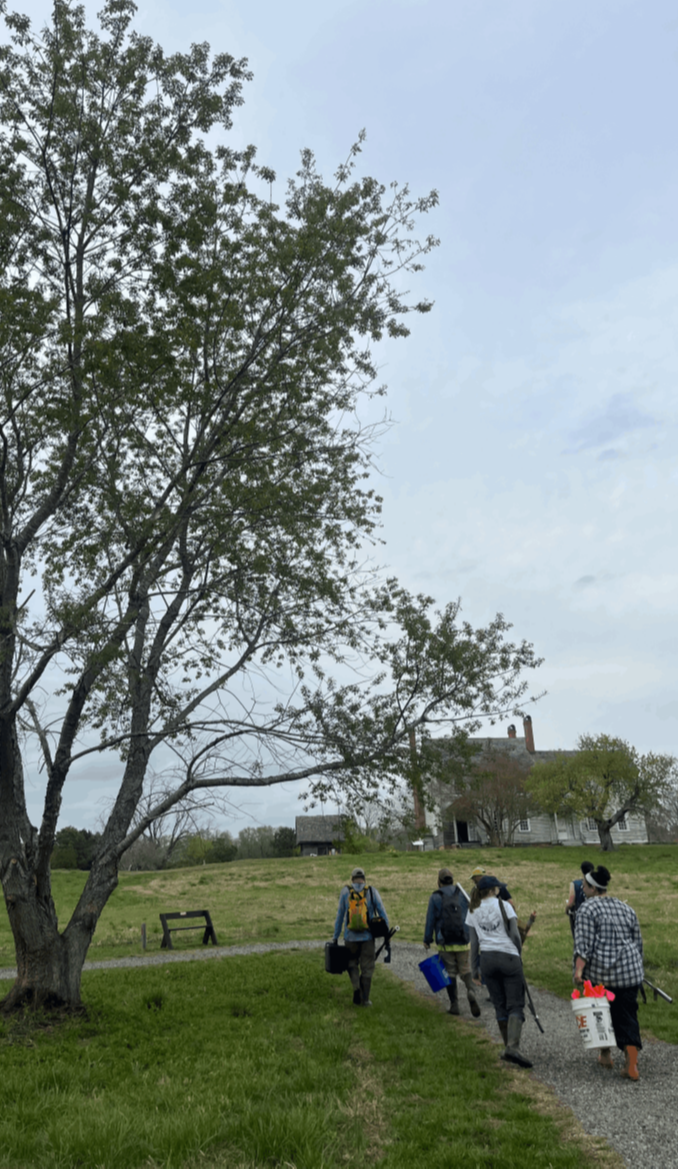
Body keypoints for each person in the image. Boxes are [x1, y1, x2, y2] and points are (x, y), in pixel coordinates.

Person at [573, 864, 644, 1081]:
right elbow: (637, 942)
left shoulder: (586, 909)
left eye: (585, 886)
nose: (582, 889)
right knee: (627, 1014)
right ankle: (631, 1064)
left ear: (594, 889)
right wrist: (638, 967)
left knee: (600, 1014)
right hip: (630, 972)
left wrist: (578, 971)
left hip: (602, 974)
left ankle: (605, 1055)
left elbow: (583, 945)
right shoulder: (625, 908)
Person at [467, 875, 533, 1068]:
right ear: (492, 890)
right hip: (508, 957)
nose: (499, 890)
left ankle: (507, 1047)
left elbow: (474, 943)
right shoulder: (504, 906)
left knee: (499, 1004)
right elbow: (515, 935)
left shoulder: (473, 909)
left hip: (487, 959)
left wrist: (474, 970)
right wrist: (517, 953)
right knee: (515, 1004)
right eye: (497, 888)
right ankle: (513, 1047)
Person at [423, 867, 481, 1018]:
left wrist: (427, 939)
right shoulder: (462, 893)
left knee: (450, 973)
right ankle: (471, 990)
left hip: (445, 943)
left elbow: (430, 920)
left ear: (439, 881)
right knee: (465, 969)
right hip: (463, 940)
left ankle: (454, 1005)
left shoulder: (435, 897)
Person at [332, 866, 389, 1007]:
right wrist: (387, 932)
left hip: (350, 938)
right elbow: (382, 912)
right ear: (364, 878)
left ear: (352, 879)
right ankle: (365, 999)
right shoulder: (371, 891)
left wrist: (335, 936)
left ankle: (356, 987)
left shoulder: (345, 892)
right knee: (367, 967)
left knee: (351, 963)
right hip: (367, 937)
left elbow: (340, 916)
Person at [565, 861, 595, 937]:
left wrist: (567, 909)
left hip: (578, 915)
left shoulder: (575, 884)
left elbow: (571, 903)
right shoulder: (595, 884)